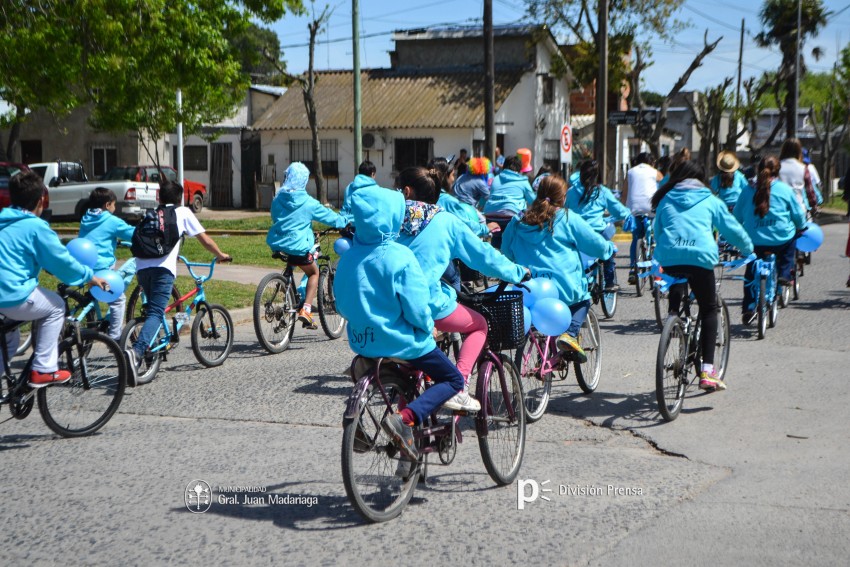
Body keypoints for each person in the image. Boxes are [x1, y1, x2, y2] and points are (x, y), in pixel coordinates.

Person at [333, 185, 462, 462]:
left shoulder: (348, 257)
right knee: (453, 379)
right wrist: (428, 325)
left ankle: (362, 415)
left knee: (391, 369)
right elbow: (416, 307)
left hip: (364, 341)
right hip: (403, 342)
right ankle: (406, 417)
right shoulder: (399, 255)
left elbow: (341, 304)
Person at [396, 166, 527, 410]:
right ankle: (460, 385)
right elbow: (484, 257)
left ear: (405, 191)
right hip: (425, 302)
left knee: (410, 367)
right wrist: (518, 271)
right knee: (479, 325)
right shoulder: (445, 221)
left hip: (384, 301)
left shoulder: (388, 217)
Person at [652, 160, 753, 391]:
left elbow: (657, 231)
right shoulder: (710, 200)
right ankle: (708, 371)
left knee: (676, 285)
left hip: (669, 258)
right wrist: (748, 249)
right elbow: (732, 229)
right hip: (700, 260)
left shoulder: (665, 199)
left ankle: (674, 320)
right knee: (709, 309)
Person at [0, 171, 108, 387]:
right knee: (56, 307)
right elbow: (62, 261)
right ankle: (44, 369)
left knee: (9, 340)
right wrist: (89, 277)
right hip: (12, 295)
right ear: (41, 200)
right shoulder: (35, 227)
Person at [127, 180, 231, 384]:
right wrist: (220, 254)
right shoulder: (182, 212)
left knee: (152, 311)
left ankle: (151, 348)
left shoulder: (151, 213)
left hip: (141, 268)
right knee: (157, 313)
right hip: (162, 270)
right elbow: (205, 240)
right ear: (180, 198)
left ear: (159, 198)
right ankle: (136, 353)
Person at [501, 175, 614, 361]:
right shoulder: (567, 218)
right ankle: (570, 334)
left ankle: (542, 352)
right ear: (562, 198)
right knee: (583, 300)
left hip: (530, 288)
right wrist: (608, 250)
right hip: (563, 288)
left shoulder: (518, 221)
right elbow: (595, 244)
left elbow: (506, 250)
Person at [266, 162, 348, 330]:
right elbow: (329, 217)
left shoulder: (278, 198)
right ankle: (307, 310)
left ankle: (286, 288)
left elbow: (275, 217)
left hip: (278, 243)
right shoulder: (308, 202)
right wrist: (345, 221)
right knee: (313, 272)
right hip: (298, 246)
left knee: (293, 260)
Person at [733, 156, 806, 323]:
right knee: (791, 241)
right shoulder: (785, 190)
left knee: (750, 273)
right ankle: (785, 274)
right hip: (780, 241)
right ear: (777, 171)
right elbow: (798, 216)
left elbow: (736, 216)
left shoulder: (747, 190)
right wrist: (801, 227)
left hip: (754, 241)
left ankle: (749, 308)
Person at [78, 187, 137, 340]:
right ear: (107, 205)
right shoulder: (111, 220)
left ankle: (97, 317)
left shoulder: (86, 218)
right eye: (114, 205)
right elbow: (132, 234)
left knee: (96, 296)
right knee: (118, 300)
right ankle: (115, 339)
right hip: (100, 271)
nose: (114, 208)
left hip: (82, 267)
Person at [567, 160, 632, 292]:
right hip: (597, 233)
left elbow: (565, 210)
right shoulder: (602, 192)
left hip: (576, 233)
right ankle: (609, 281)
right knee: (608, 247)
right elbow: (618, 210)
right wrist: (627, 213)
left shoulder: (571, 192)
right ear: (597, 174)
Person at [622, 152, 661, 283]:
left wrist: (623, 210)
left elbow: (624, 193)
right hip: (651, 208)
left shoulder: (630, 172)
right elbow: (663, 182)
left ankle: (633, 268)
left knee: (636, 238)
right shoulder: (654, 172)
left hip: (634, 209)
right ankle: (653, 249)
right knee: (656, 232)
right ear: (651, 162)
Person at [482, 155, 536, 249]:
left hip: (491, 215)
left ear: (504, 166)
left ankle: (496, 255)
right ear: (520, 169)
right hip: (512, 216)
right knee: (514, 241)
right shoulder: (522, 181)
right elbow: (533, 201)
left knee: (497, 238)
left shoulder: (496, 178)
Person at [778, 138, 810, 213]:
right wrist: (814, 205)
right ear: (799, 152)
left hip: (781, 207)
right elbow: (809, 190)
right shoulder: (803, 168)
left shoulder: (777, 166)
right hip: (798, 207)